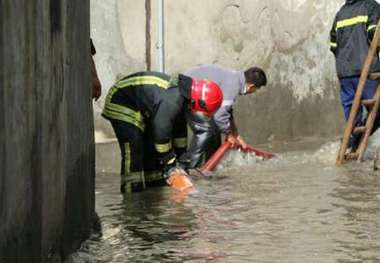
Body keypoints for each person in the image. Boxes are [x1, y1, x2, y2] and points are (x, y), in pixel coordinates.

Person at [102, 72, 223, 193]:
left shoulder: (183, 98)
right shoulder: (172, 100)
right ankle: (131, 199)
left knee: (152, 155)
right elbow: (161, 136)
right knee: (134, 150)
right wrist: (171, 164)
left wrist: (182, 163)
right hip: (121, 102)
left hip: (141, 110)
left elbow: (179, 132)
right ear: (199, 102)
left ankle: (154, 195)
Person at [178, 64, 267, 169]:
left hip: (190, 90)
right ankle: (191, 168)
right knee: (206, 130)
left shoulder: (235, 79)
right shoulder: (233, 85)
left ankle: (209, 166)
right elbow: (220, 115)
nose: (254, 92)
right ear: (251, 86)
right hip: (186, 91)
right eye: (256, 89)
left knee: (214, 130)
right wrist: (229, 134)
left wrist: (235, 134)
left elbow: (227, 111)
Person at [330, 0, 380, 151]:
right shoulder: (372, 6)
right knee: (377, 109)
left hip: (344, 73)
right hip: (366, 70)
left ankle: (352, 145)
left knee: (353, 118)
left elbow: (333, 45)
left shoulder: (340, 13)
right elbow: (375, 36)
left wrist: (346, 59)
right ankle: (357, 141)